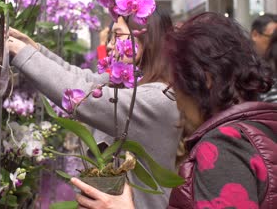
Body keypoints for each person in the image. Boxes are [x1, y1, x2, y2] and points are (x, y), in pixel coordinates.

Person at [71, 12, 277, 208]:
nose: (175, 98)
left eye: (176, 83)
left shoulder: (222, 148)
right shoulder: (261, 128)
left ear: (204, 79)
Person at [7, 8, 182, 208]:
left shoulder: (156, 99)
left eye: (117, 36)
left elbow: (85, 98)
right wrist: (34, 49)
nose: (110, 45)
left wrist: (24, 54)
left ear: (146, 40)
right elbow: (83, 79)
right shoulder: (133, 84)